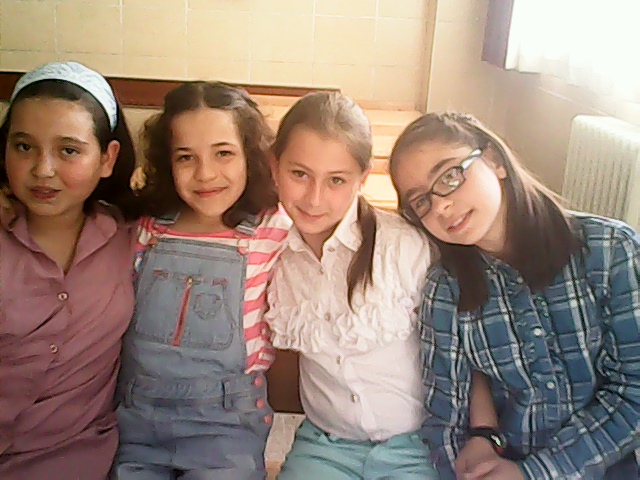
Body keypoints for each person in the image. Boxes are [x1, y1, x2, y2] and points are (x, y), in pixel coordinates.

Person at [389, 111, 640, 479]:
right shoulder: (445, 290)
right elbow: (446, 418)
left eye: (450, 176)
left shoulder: (610, 251)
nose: (440, 206)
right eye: (421, 202)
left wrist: (535, 473)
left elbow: (634, 393)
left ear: (494, 160)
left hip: (604, 466)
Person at [114, 81, 291, 479]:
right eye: (185, 157)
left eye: (223, 153)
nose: (205, 173)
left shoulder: (272, 228)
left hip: (226, 424)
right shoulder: (146, 229)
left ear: (251, 155)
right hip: (137, 420)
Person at [265, 91, 439, 479]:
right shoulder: (270, 253)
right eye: (299, 174)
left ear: (362, 178)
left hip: (417, 445)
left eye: (336, 180)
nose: (314, 198)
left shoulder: (404, 247)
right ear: (275, 167)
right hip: (325, 445)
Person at [0, 61, 138, 479]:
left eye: (69, 150)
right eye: (24, 147)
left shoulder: (131, 236)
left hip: (75, 458)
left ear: (107, 158)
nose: (43, 169)